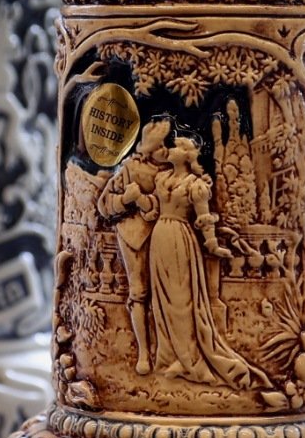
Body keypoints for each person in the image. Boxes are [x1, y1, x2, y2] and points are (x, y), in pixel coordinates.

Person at [148, 138, 271, 390]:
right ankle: (169, 355)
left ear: (187, 155)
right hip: (159, 237)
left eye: (176, 146)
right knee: (161, 300)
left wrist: (213, 245)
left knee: (181, 300)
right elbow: (151, 209)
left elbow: (204, 219)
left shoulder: (196, 185)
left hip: (180, 240)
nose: (170, 149)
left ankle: (189, 360)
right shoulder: (161, 178)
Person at [97, 118, 170, 374]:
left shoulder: (169, 172)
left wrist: (144, 201)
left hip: (163, 236)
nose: (166, 150)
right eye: (161, 146)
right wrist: (126, 199)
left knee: (164, 292)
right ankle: (144, 353)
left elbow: (163, 206)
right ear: (150, 147)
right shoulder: (128, 168)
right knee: (139, 293)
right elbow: (105, 204)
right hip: (133, 236)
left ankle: (166, 351)